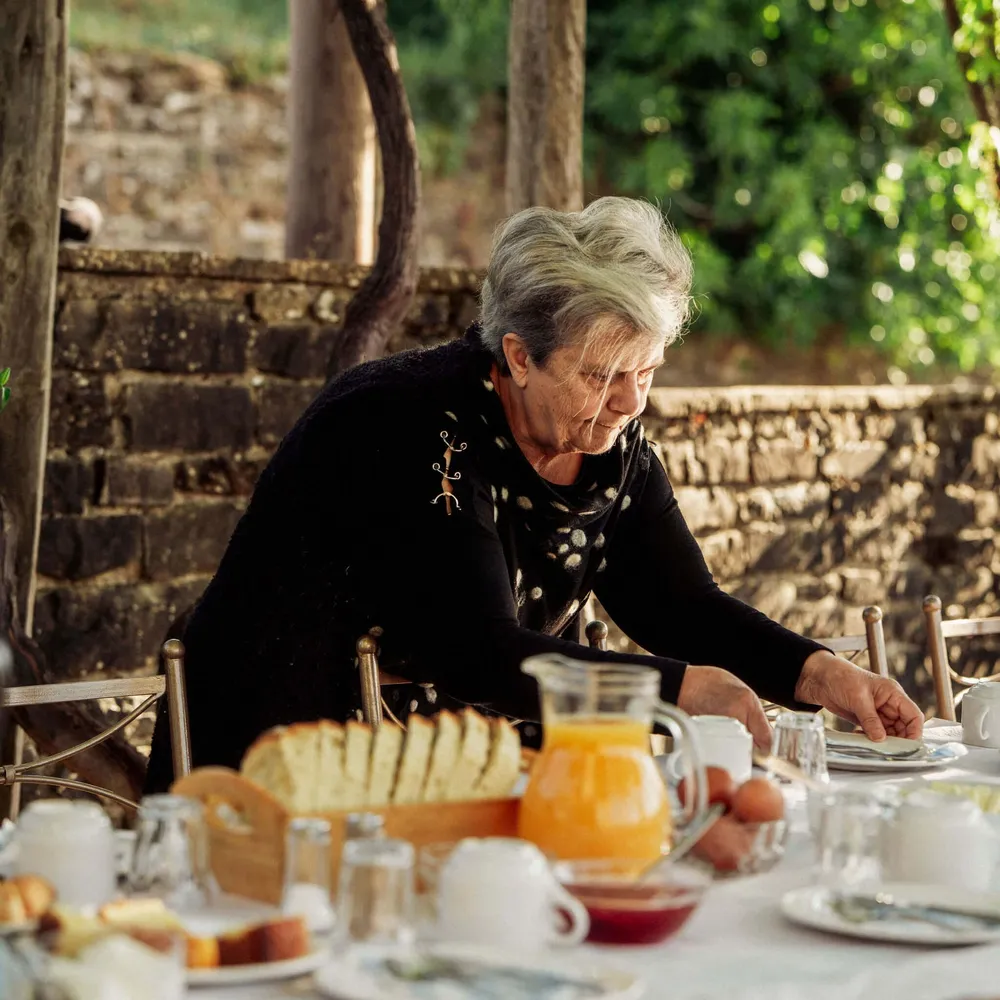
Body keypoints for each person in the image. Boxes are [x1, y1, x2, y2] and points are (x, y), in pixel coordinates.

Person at [145, 197, 921, 792]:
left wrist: (820, 675)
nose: (629, 403)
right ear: (519, 355)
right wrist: (677, 690)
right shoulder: (414, 425)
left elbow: (681, 607)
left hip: (441, 775)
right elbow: (476, 649)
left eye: (644, 372)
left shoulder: (612, 451)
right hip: (279, 760)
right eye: (601, 375)